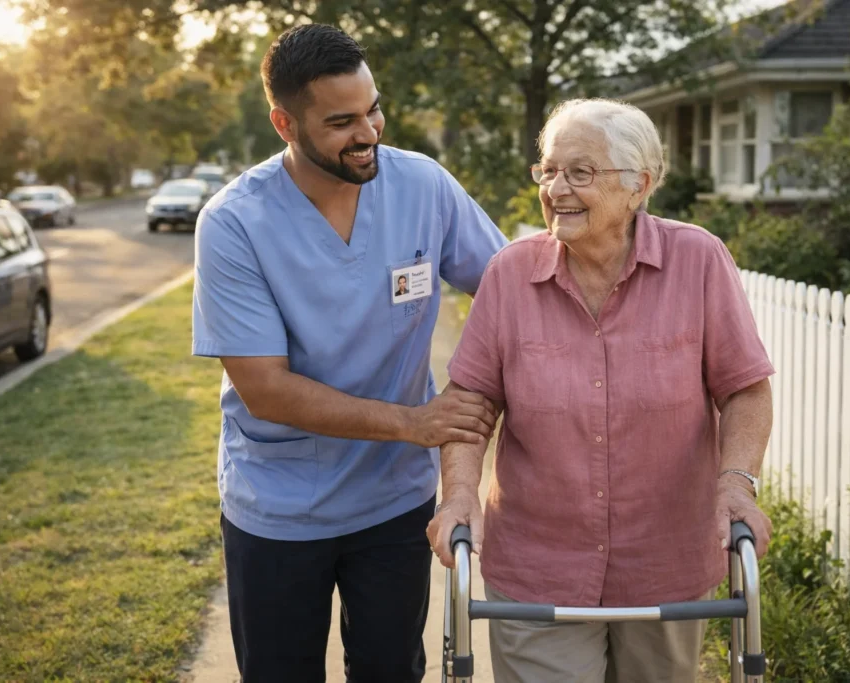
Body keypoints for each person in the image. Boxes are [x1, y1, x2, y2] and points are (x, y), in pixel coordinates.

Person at [191, 24, 508, 683]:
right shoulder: (234, 223)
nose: (368, 132)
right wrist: (414, 424)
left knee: (392, 669)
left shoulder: (423, 186)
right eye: (341, 122)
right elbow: (266, 389)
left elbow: (511, 288)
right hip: (278, 505)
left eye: (373, 109)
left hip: (394, 499)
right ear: (285, 122)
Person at [426, 98, 775, 683]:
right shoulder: (509, 276)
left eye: (580, 173)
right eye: (549, 170)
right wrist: (460, 492)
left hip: (665, 563)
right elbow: (471, 405)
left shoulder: (699, 261)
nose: (556, 188)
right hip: (538, 567)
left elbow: (744, 389)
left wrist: (737, 483)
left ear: (638, 185)